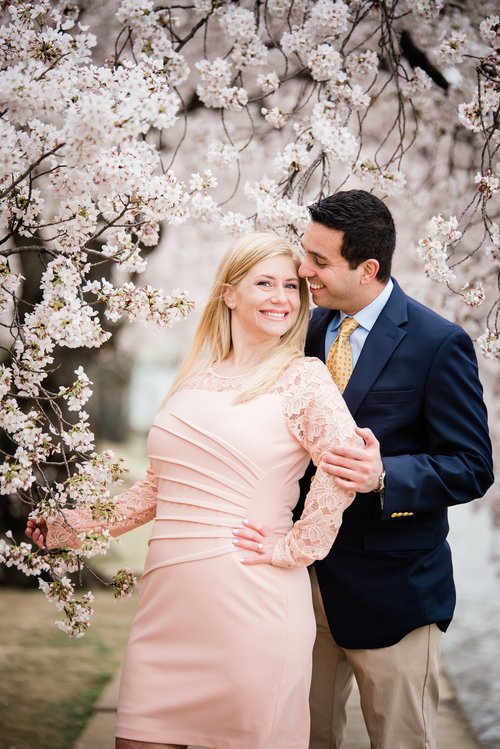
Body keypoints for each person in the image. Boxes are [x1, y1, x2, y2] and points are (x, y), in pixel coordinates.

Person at [26, 231, 364, 749]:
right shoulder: (193, 380)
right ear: (228, 292)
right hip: (169, 605)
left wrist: (297, 547)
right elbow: (158, 489)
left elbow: (343, 467)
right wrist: (74, 527)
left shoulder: (304, 379)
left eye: (291, 287)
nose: (282, 298)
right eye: (265, 283)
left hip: (253, 604)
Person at [237, 190, 494, 749]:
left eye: (320, 261)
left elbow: (472, 467)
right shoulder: (298, 330)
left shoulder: (438, 343)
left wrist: (384, 475)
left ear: (368, 268)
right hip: (299, 589)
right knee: (302, 738)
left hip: (394, 597)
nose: (303, 271)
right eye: (306, 254)